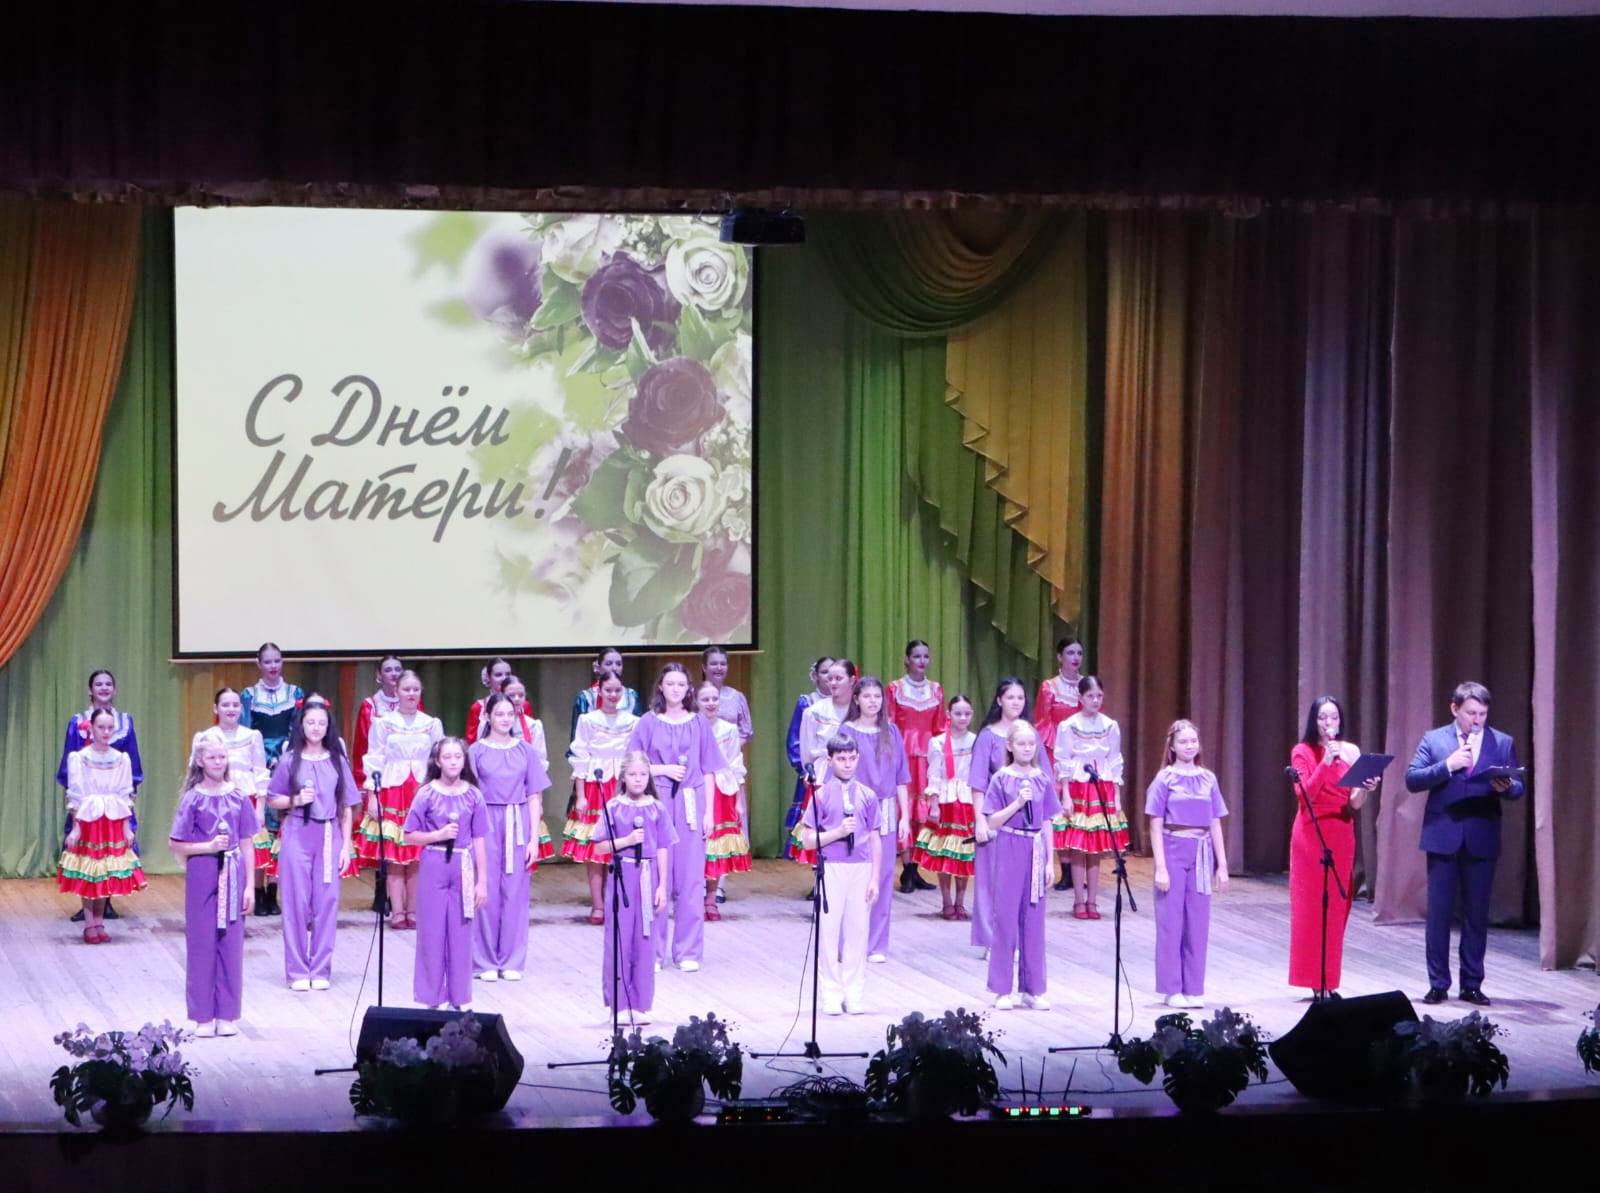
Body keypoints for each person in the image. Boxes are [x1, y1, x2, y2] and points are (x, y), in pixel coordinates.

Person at [1404, 681, 1524, 1006]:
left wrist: (1507, 787)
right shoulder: (1435, 740)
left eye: (1482, 713)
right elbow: (1412, 779)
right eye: (1471, 713)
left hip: (1481, 835)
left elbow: (1518, 787)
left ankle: (1471, 984)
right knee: (1439, 914)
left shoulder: (1502, 742)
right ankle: (1438, 983)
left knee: (1476, 915)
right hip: (1443, 835)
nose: (1477, 720)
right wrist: (1448, 765)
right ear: (1454, 709)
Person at [627, 663, 722, 972]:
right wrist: (663, 769)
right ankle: (652, 952)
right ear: (661, 687)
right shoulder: (648, 722)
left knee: (691, 878)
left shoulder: (699, 723)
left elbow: (708, 769)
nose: (676, 689)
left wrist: (709, 812)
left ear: (688, 689)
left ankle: (688, 951)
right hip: (657, 801)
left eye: (681, 684)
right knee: (655, 876)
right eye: (670, 684)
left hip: (691, 802)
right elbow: (632, 765)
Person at [1288, 694, 1378, 998]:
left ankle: (1330, 980)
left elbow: (1354, 802)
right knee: (1312, 908)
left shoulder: (1351, 751)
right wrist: (1326, 761)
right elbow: (1305, 795)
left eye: (1334, 717)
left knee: (1338, 906)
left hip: (1340, 832)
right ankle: (1315, 981)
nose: (1329, 723)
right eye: (1323, 717)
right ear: (1314, 721)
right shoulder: (1302, 752)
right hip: (1311, 833)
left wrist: (1365, 787)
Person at [266, 696, 359, 991]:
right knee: (296, 902)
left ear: (328, 726)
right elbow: (273, 798)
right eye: (311, 723)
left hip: (329, 834)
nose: (316, 728)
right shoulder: (289, 760)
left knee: (327, 902)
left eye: (321, 723)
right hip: (297, 832)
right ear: (302, 725)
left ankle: (320, 969)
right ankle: (297, 971)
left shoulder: (337, 760)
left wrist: (346, 846)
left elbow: (347, 807)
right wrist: (295, 800)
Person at [169, 739, 258, 1036]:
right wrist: (207, 846)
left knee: (231, 945)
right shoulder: (193, 799)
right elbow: (176, 843)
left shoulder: (238, 797)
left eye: (222, 757)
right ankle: (203, 1016)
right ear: (200, 761)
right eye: (212, 757)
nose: (218, 762)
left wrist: (250, 887)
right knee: (201, 943)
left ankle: (227, 1014)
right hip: (203, 872)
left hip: (233, 872)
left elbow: (246, 842)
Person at [1146, 720, 1230, 1008]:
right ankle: (1172, 988)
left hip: (1202, 851)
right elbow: (1155, 824)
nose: (1189, 746)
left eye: (1193, 741)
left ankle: (1193, 987)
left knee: (1197, 921)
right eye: (1183, 741)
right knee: (1171, 921)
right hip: (1173, 848)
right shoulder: (1164, 779)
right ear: (1172, 746)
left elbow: (1215, 821)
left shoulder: (1208, 778)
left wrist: (1222, 865)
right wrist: (1160, 867)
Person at [469, 693, 551, 982]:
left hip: (517, 820)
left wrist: (533, 839)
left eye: (510, 714)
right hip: (486, 821)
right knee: (485, 888)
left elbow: (534, 794)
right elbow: (469, 794)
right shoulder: (476, 751)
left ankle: (512, 959)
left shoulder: (525, 750)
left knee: (515, 891)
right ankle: (484, 960)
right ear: (487, 716)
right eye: (499, 714)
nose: (505, 719)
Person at [797, 734, 881, 1015]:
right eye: (841, 758)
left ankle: (854, 992)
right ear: (830, 760)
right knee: (829, 931)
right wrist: (838, 832)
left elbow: (874, 838)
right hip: (832, 866)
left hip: (861, 867)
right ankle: (831, 994)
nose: (847, 764)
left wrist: (875, 877)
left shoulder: (868, 795)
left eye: (851, 758)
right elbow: (808, 840)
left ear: (858, 759)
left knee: (858, 931)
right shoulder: (820, 795)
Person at [402, 738, 489, 1011]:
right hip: (434, 863)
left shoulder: (474, 795)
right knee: (432, 933)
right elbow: (408, 835)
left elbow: (479, 839)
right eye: (447, 757)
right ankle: (431, 997)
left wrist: (482, 881)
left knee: (461, 934)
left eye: (458, 757)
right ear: (437, 761)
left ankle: (459, 997)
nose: (453, 762)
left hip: (463, 865)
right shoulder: (426, 794)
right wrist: (437, 835)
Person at [589, 752, 674, 1026]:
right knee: (619, 939)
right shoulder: (614, 807)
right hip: (623, 876)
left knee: (644, 941)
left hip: (648, 876)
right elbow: (599, 847)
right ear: (623, 777)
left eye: (643, 775)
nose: (638, 779)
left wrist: (662, 885)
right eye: (633, 774)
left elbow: (663, 847)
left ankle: (640, 1003)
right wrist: (626, 840)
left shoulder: (657, 808)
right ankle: (618, 1004)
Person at [982, 721, 1061, 1010]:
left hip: (1036, 847)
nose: (1027, 749)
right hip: (1010, 844)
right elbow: (992, 821)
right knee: (1005, 917)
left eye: (1031, 744)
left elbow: (1047, 820)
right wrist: (1017, 803)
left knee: (1034, 918)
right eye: (1022, 744)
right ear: (1010, 746)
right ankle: (1002, 989)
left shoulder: (1042, 779)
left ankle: (1033, 988)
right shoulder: (1001, 779)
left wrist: (1050, 860)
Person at [356, 671, 444, 928]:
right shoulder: (383, 723)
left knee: (416, 855)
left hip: (422, 791)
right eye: (406, 689)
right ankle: (397, 911)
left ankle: (413, 911)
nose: (411, 693)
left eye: (415, 689)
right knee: (395, 856)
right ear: (396, 691)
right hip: (392, 790)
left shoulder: (431, 723)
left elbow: (439, 760)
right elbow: (374, 760)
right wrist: (372, 796)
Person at [57, 669, 143, 922]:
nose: (103, 688)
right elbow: (71, 758)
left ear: (115, 689)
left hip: (114, 796)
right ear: (90, 690)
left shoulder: (124, 721)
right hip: (88, 796)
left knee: (113, 850)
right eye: (98, 684)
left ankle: (107, 901)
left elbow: (132, 757)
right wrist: (77, 801)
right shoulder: (78, 721)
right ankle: (87, 904)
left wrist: (129, 794)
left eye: (108, 684)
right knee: (86, 850)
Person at [841, 676, 910, 962]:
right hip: (856, 807)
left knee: (882, 874)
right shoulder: (847, 731)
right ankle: (849, 941)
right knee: (854, 873)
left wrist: (905, 816)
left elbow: (902, 777)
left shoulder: (891, 731)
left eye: (877, 696)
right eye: (867, 696)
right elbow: (838, 775)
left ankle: (877, 944)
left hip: (887, 808)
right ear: (857, 699)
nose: (873, 701)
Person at [562, 674, 641, 923]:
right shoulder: (588, 720)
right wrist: (581, 795)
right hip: (596, 786)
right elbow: (580, 757)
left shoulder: (633, 721)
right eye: (608, 690)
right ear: (600, 691)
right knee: (596, 848)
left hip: (622, 785)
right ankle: (598, 905)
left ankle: (618, 902)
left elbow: (636, 757)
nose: (613, 695)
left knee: (623, 845)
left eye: (617, 690)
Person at [190, 688, 272, 911]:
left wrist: (260, 808)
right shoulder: (205, 737)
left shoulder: (252, 736)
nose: (231, 709)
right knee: (219, 848)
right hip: (214, 801)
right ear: (215, 708)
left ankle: (250, 895)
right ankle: (215, 897)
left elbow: (260, 772)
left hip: (246, 799)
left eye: (235, 705)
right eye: (225, 705)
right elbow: (194, 772)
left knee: (247, 849)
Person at [1056, 676, 1129, 920]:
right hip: (1078, 784)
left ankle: (1093, 901)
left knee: (1095, 847)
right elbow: (1063, 759)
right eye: (1090, 696)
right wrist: (1066, 795)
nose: (1095, 700)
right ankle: (1078, 900)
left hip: (1101, 785)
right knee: (1078, 846)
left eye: (1099, 696)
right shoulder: (1069, 725)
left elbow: (1115, 759)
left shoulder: (1110, 725)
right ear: (1080, 698)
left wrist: (1116, 795)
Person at [240, 641, 303, 915]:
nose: (273, 666)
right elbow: (245, 731)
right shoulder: (249, 695)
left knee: (281, 828)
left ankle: (273, 891)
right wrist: (261, 760)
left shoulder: (295, 693)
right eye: (267, 661)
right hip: (258, 765)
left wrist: (285, 758)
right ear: (259, 664)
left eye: (277, 660)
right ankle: (257, 889)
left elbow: (298, 729)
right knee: (260, 829)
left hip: (287, 764)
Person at [969, 677, 1029, 956]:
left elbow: (1043, 778)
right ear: (999, 701)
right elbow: (978, 783)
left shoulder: (1030, 735)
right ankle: (993, 941)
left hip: (1025, 822)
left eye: (1020, 697)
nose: (1016, 702)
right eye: (1010, 697)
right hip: (995, 818)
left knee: (1019, 883)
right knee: (991, 883)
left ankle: (1016, 938)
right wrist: (980, 820)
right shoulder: (988, 737)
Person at [886, 640, 945, 894]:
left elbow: (940, 726)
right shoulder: (895, 688)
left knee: (924, 811)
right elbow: (888, 724)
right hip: (903, 755)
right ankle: (906, 868)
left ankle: (915, 868)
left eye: (926, 656)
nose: (922, 661)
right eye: (917, 656)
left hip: (928, 756)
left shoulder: (936, 689)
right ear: (907, 660)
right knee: (905, 811)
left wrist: (942, 758)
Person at [912, 693, 978, 920]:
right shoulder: (938, 742)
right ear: (949, 715)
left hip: (967, 801)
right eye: (958, 713)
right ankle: (946, 901)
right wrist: (934, 806)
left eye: (967, 714)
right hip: (946, 801)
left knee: (964, 852)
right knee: (944, 852)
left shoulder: (976, 740)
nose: (963, 718)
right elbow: (933, 775)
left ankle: (961, 901)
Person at [791, 657, 858, 865]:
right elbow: (807, 750)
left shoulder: (859, 710)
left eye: (839, 678)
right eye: (830, 678)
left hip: (854, 775)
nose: (833, 683)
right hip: (823, 776)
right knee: (824, 826)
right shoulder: (815, 712)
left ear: (852, 680)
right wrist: (809, 772)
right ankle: (822, 872)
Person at [701, 646, 752, 906]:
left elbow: (746, 731)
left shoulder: (736, 697)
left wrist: (722, 753)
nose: (719, 667)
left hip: (726, 772)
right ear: (704, 667)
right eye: (714, 663)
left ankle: (718, 886)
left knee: (724, 831)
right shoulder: (695, 699)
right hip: (701, 778)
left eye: (723, 663)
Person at [1035, 638, 1085, 891]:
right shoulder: (1049, 687)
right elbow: (1041, 721)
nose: (1075, 658)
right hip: (1055, 750)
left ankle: (1078, 868)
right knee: (1059, 809)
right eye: (1070, 653)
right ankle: (1064, 869)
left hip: (1082, 751)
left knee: (1080, 807)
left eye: (1079, 653)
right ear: (1059, 657)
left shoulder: (1086, 685)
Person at [782, 656, 833, 868]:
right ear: (815, 676)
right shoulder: (808, 703)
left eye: (834, 673)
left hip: (841, 770)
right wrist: (805, 769)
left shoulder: (848, 703)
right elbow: (795, 740)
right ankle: (818, 872)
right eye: (824, 672)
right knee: (815, 822)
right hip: (816, 772)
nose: (830, 677)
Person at [501, 675, 556, 868]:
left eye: (521, 695)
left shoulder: (533, 726)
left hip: (524, 793)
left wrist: (538, 801)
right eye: (511, 695)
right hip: (498, 794)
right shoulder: (488, 725)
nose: (517, 699)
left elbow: (538, 768)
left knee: (524, 847)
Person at [351, 655, 420, 790]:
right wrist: (363, 782)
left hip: (411, 777)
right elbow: (362, 748)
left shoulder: (414, 703)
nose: (394, 674)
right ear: (379, 675)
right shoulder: (370, 705)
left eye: (398, 669)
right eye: (388, 670)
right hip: (381, 776)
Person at [464, 656, 512, 746]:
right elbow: (471, 744)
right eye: (498, 675)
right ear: (488, 677)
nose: (504, 678)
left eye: (508, 674)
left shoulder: (523, 706)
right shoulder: (478, 707)